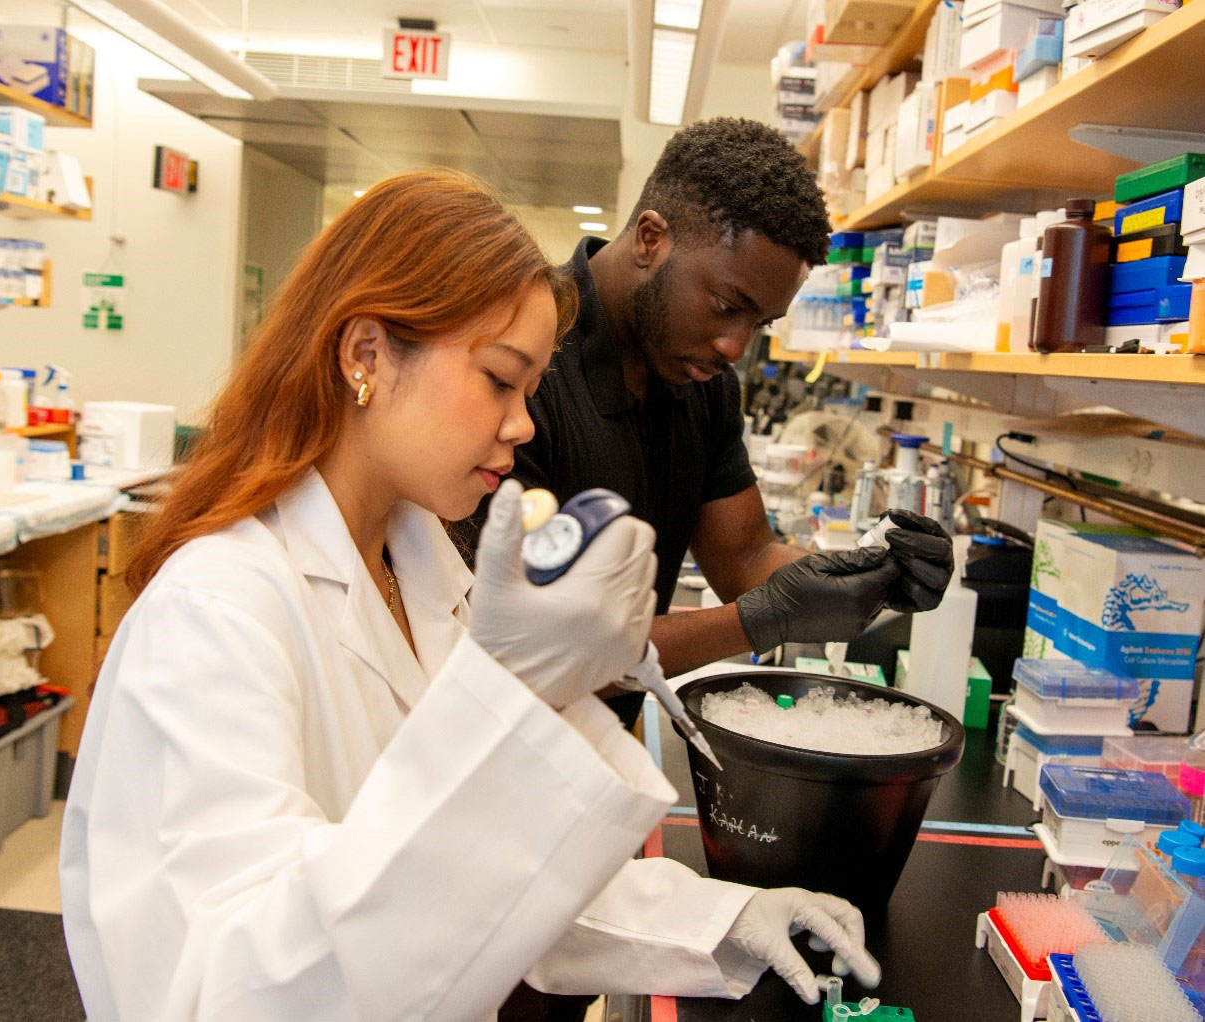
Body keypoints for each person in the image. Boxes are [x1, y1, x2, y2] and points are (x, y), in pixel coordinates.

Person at [59, 169, 880, 1022]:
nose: (524, 425)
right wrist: (506, 705)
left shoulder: (422, 576)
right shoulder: (218, 613)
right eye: (499, 379)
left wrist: (724, 921)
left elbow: (492, 871)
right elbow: (231, 993)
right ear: (366, 355)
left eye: (531, 391)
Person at [458, 118, 953, 738]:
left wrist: (871, 572)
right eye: (727, 306)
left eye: (761, 324)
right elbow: (534, 647)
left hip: (606, 744)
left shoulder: (706, 387)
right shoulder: (531, 373)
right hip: (493, 752)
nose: (734, 346)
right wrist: (759, 620)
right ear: (649, 238)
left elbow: (744, 554)